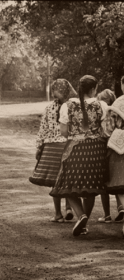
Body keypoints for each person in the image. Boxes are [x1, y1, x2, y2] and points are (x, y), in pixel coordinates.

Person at [50, 75, 108, 236]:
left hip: (75, 149)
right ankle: (83, 223)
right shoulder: (101, 105)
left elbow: (63, 131)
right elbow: (105, 130)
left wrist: (76, 134)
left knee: (66, 186)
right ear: (93, 89)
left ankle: (80, 215)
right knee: (90, 187)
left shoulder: (67, 106)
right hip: (96, 151)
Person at [29, 79, 76, 223]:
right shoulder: (73, 107)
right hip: (68, 145)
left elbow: (43, 129)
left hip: (51, 148)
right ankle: (69, 208)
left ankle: (58, 214)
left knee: (55, 182)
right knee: (67, 179)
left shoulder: (49, 108)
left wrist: (39, 147)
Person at [95, 89, 124, 223]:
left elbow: (107, 130)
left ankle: (108, 213)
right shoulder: (117, 103)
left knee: (110, 180)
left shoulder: (113, 107)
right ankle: (120, 207)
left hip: (112, 146)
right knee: (120, 179)